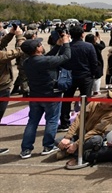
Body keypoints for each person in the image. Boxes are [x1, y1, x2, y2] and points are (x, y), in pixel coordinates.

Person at [19, 33, 71, 159]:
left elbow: (47, 57)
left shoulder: (27, 62)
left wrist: (57, 46)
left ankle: (26, 149)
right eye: (40, 45)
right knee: (52, 120)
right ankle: (48, 145)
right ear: (37, 48)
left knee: (32, 122)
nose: (42, 46)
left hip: (35, 95)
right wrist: (66, 43)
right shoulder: (44, 61)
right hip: (51, 95)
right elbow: (66, 56)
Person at [56, 90, 112, 166]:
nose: (105, 97)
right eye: (107, 95)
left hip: (91, 137)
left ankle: (71, 152)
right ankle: (76, 151)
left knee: (96, 140)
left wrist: (76, 144)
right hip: (81, 134)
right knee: (58, 141)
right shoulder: (94, 103)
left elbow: (96, 131)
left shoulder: (110, 114)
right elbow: (79, 119)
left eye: (108, 97)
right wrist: (68, 137)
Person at [59, 25, 99, 131]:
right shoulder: (89, 46)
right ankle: (86, 121)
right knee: (86, 101)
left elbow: (62, 61)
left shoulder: (66, 46)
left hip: (70, 75)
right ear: (82, 34)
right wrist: (93, 74)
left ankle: (64, 122)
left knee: (67, 99)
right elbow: (94, 62)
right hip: (85, 76)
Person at [0, 24, 24, 155]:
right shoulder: (1, 55)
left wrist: (10, 34)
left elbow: (1, 43)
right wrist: (19, 35)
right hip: (2, 88)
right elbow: (20, 50)